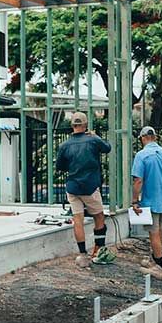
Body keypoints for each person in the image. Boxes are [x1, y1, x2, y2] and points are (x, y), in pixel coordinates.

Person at [56, 112, 114, 267]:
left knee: (78, 220)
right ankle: (98, 249)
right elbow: (107, 148)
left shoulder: (64, 145)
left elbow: (60, 166)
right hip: (90, 187)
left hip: (73, 187)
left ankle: (82, 254)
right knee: (99, 217)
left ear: (72, 126)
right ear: (85, 125)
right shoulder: (93, 140)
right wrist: (95, 135)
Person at [131, 125, 162, 278]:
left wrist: (134, 201)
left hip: (150, 201)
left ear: (143, 138)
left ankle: (158, 267)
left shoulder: (141, 156)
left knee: (153, 232)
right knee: (159, 230)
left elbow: (138, 180)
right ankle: (158, 258)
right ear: (155, 137)